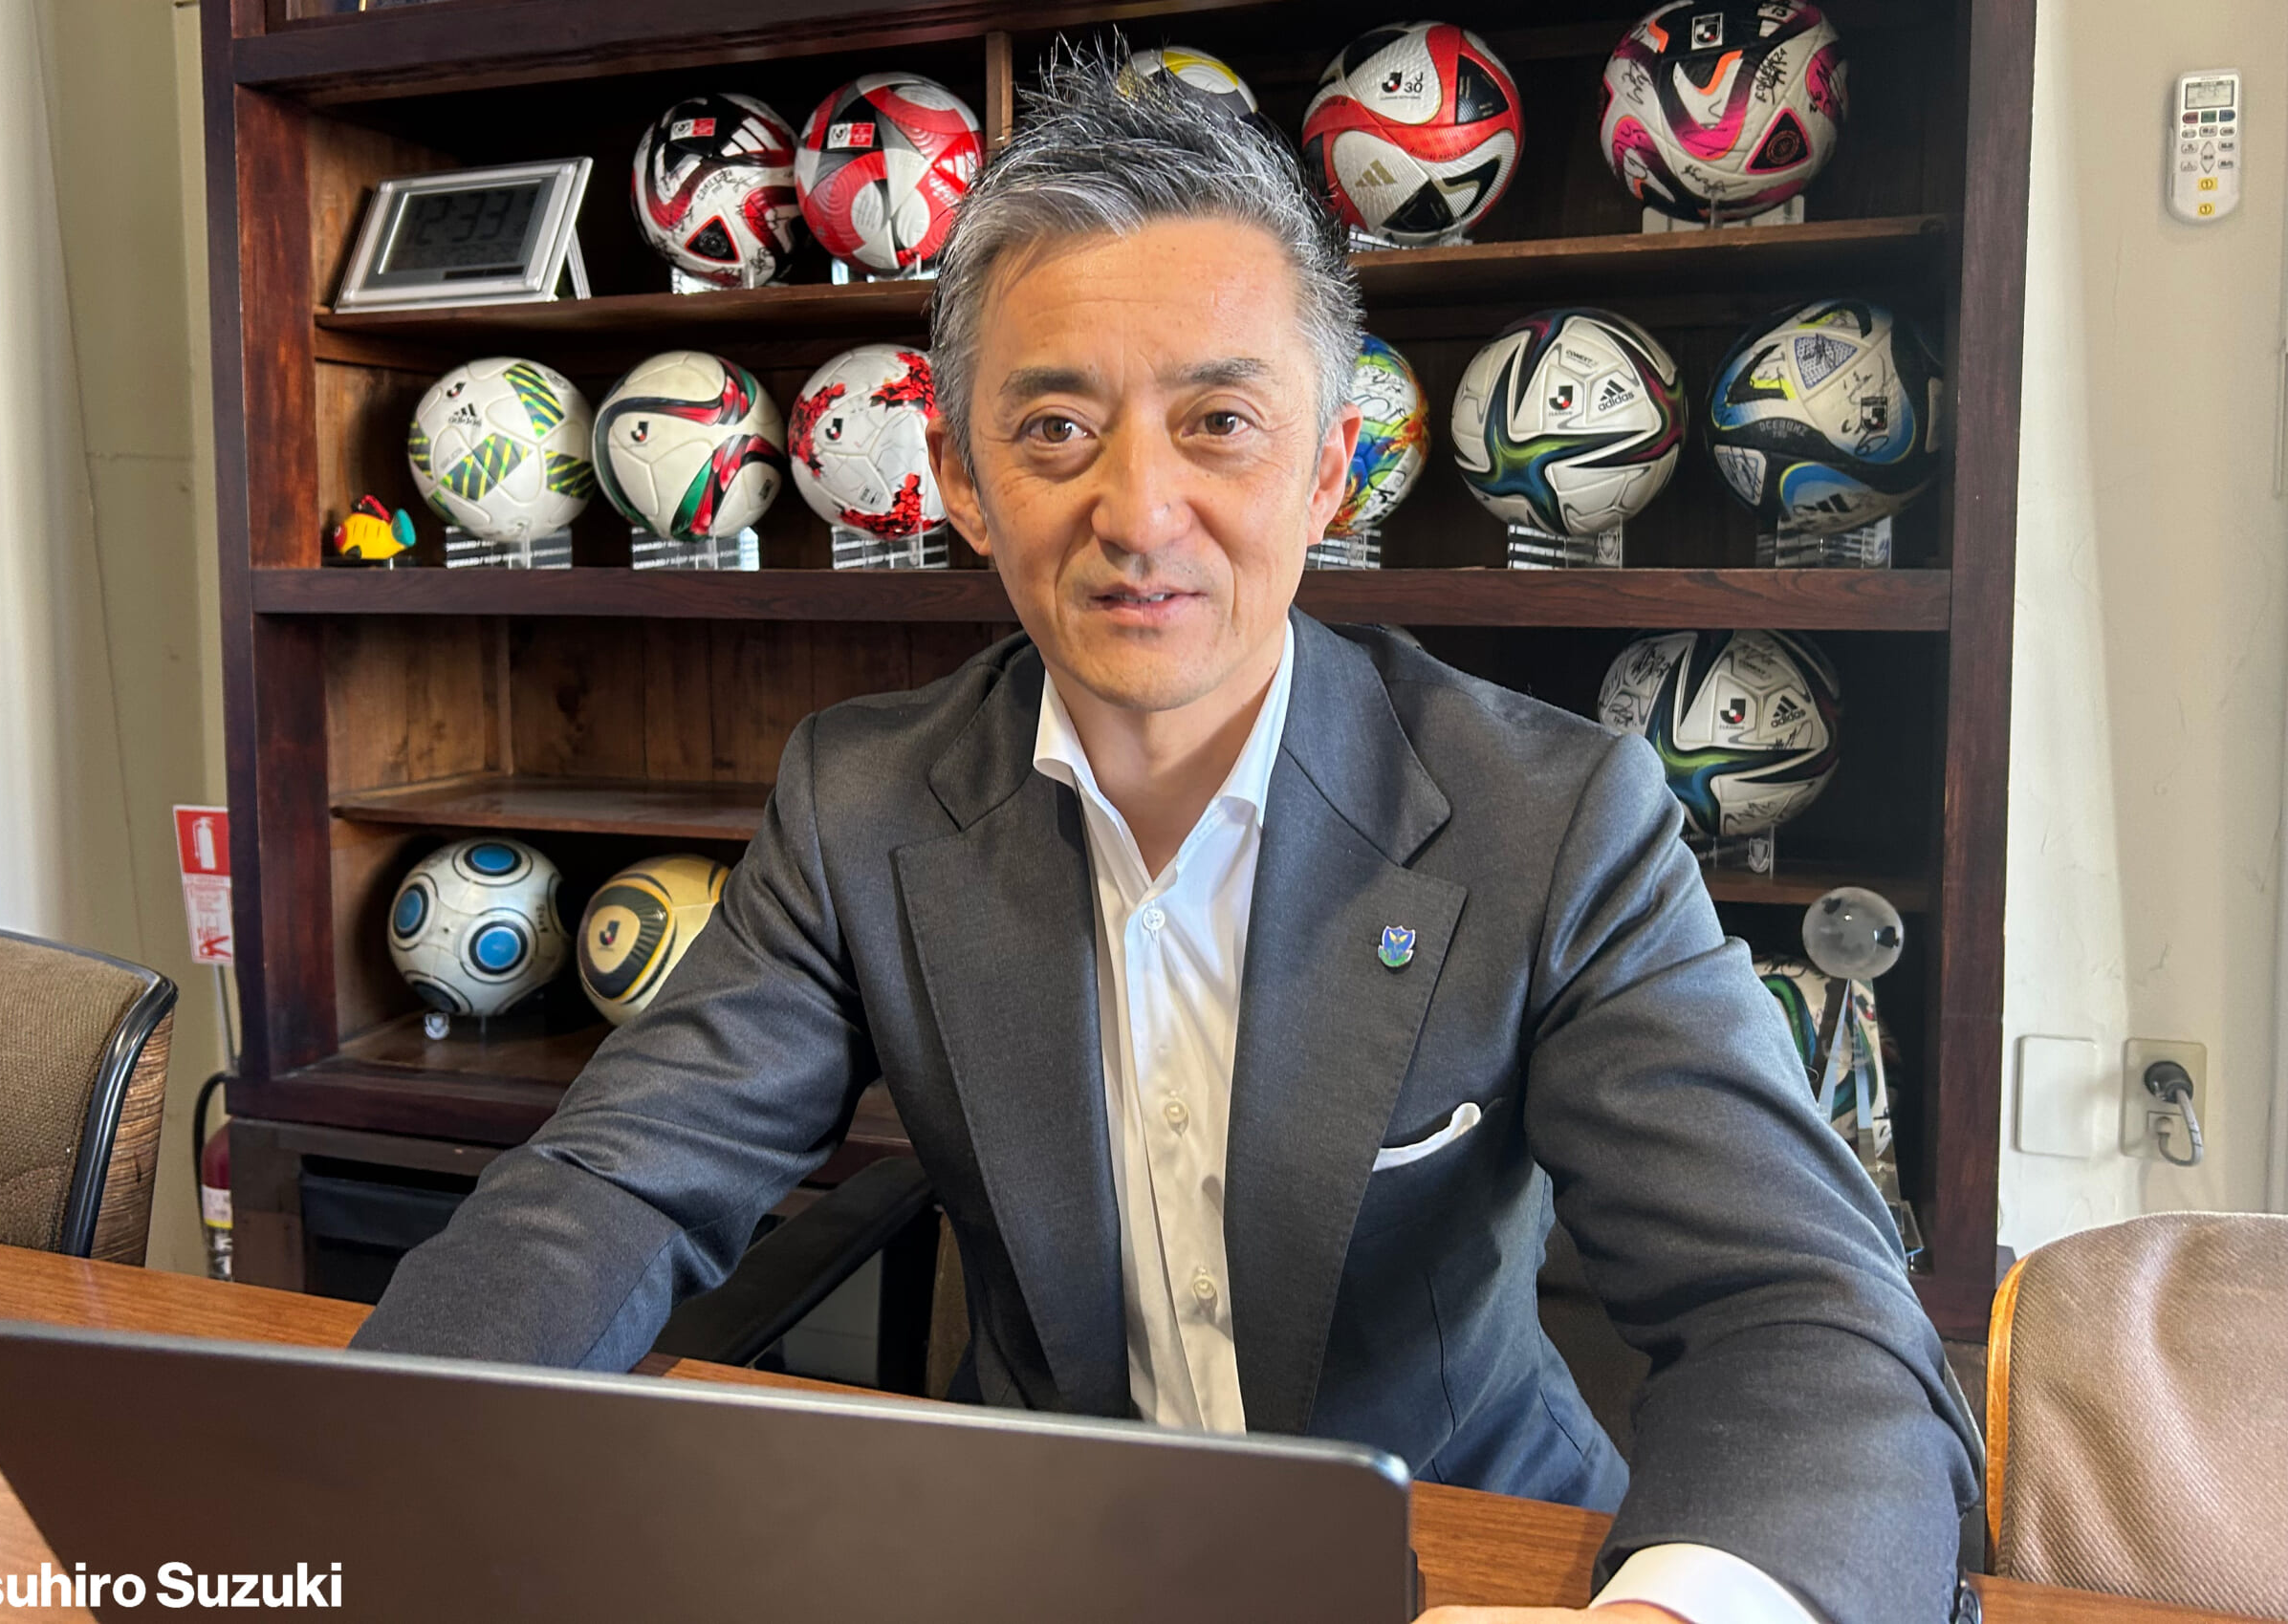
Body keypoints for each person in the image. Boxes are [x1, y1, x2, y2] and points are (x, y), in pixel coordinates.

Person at [354, 50, 1980, 1624]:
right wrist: (355, 1492)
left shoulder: (1554, 817)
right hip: (1044, 1553)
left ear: (1330, 467)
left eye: (1219, 422)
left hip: (1459, 1551)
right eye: (1057, 430)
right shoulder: (860, 799)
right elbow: (615, 1183)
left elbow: (1803, 1311)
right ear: (961, 481)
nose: (1138, 515)